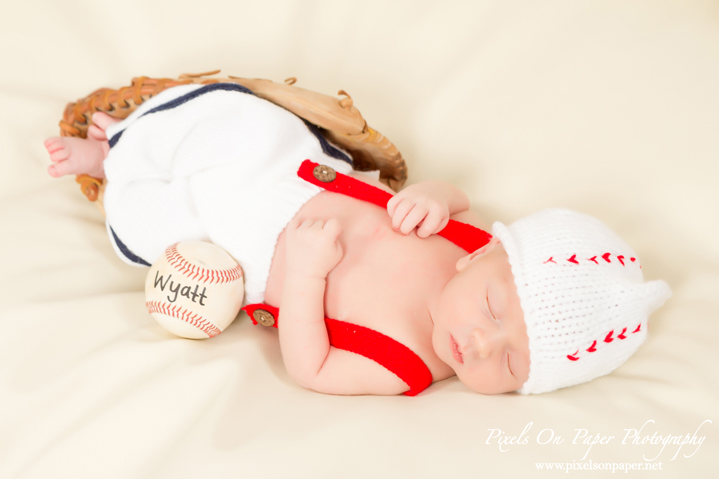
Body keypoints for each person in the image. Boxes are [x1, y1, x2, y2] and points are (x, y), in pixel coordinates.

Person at [45, 82, 671, 396]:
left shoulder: (405, 366)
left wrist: (310, 275)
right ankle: (130, 134)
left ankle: (105, 167)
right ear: (486, 254)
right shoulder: (463, 239)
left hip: (248, 257)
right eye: (494, 309)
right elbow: (456, 197)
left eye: (511, 366)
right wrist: (434, 195)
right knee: (241, 121)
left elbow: (312, 368)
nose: (481, 345)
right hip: (296, 179)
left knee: (152, 229)